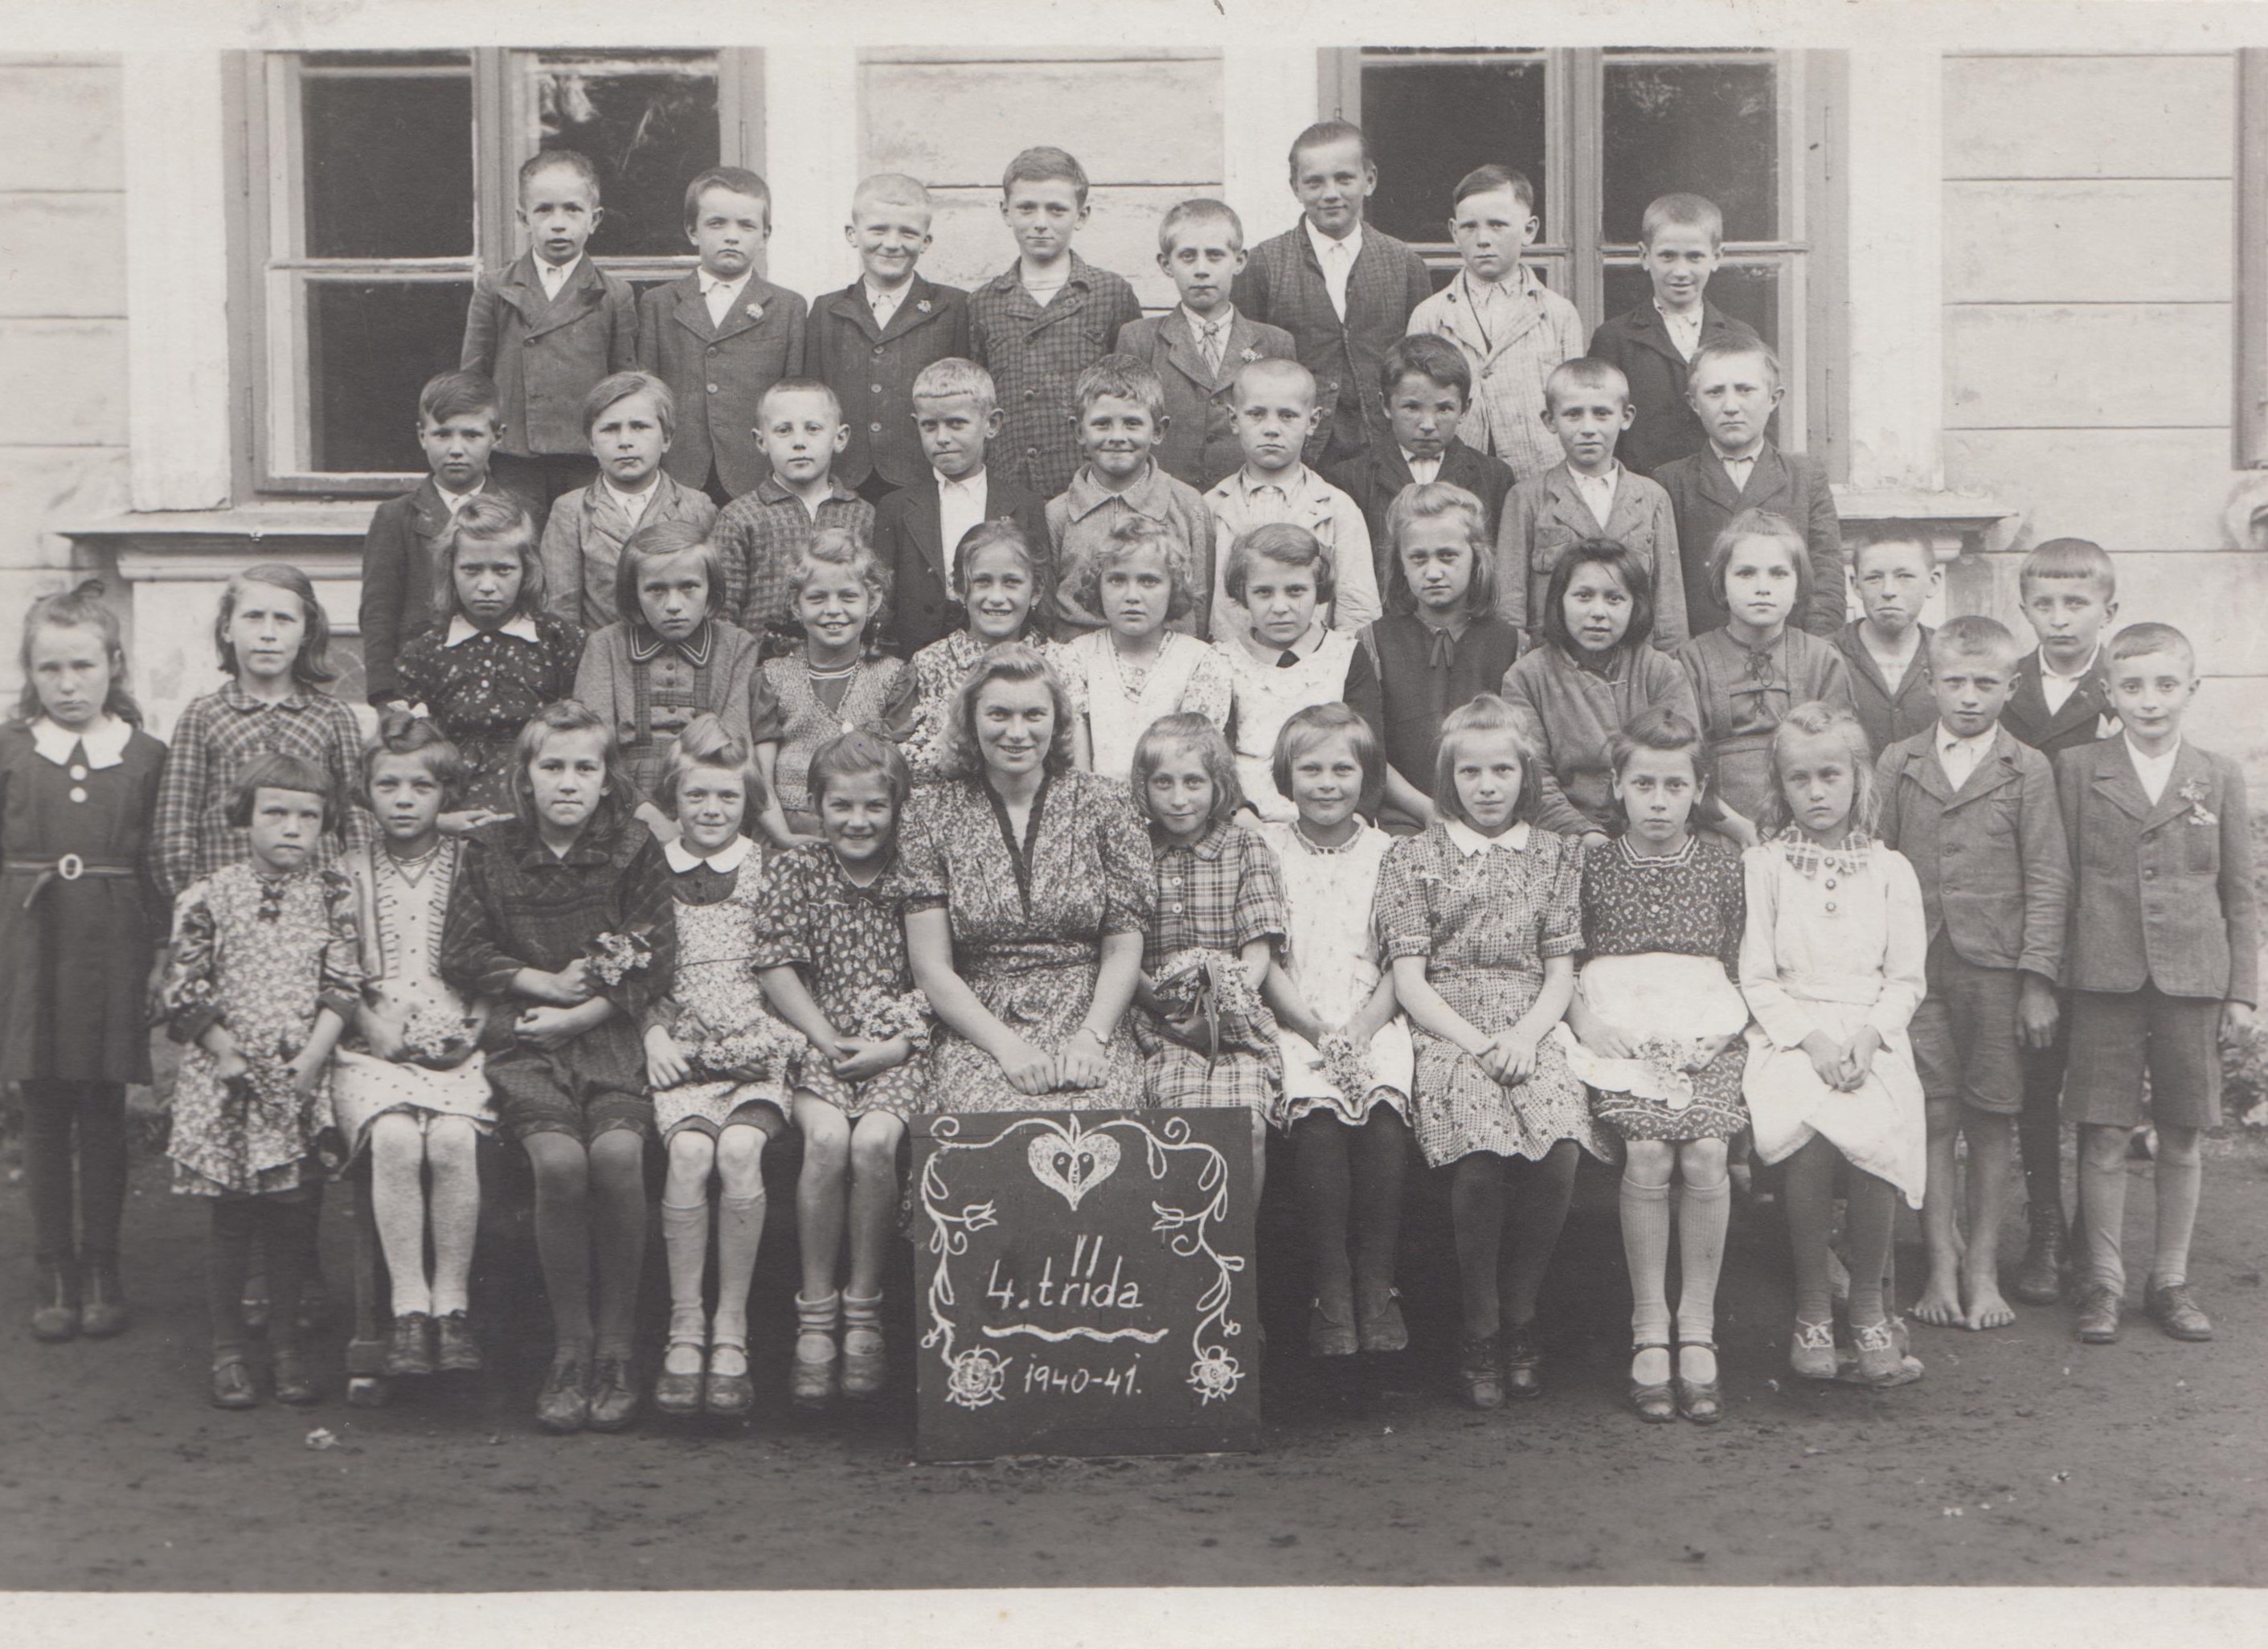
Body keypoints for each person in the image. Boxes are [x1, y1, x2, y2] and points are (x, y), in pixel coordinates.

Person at [439, 701, 677, 1434]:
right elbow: (463, 952)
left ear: (607, 779)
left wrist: (583, 1012)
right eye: (552, 767)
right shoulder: (491, 849)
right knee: (559, 1162)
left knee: (616, 1156)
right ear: (526, 776)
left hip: (608, 1035)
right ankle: (570, 1347)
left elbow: (653, 955)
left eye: (584, 768)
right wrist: (541, 985)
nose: (568, 783)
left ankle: (617, 1348)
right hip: (528, 1038)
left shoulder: (634, 847)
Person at [154, 563, 370, 1340]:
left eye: (285, 619)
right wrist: (207, 917)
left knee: (298, 1133)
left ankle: (298, 1275)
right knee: (236, 1134)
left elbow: (352, 825)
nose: (269, 634)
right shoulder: (206, 716)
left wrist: (338, 907)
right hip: (230, 952)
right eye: (254, 618)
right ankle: (245, 1286)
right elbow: (174, 834)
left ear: (308, 631)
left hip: (304, 953)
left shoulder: (332, 717)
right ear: (227, 629)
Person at [1374, 696, 1602, 1408]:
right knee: (1480, 1153)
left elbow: (1559, 972)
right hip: (1450, 1026)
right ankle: (1479, 1322)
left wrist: (1525, 1037)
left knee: (1558, 1145)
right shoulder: (1413, 856)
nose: (1487, 786)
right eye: (1470, 772)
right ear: (1448, 777)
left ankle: (1521, 1308)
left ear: (1525, 774)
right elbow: (1410, 980)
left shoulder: (1556, 855)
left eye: (1502, 770)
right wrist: (1477, 1044)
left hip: (1531, 1021)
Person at [2057, 623, 2257, 1347]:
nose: (2150, 701)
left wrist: (2242, 991)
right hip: (2103, 975)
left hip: (2192, 980)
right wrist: (2050, 977)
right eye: (2133, 686)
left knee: (2182, 1131)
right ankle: (2103, 1281)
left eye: (2166, 685)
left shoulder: (2218, 774)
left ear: (2191, 690)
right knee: (2104, 1130)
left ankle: (2170, 1279)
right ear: (2108, 693)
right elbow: (2060, 877)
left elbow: (2239, 892)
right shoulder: (2079, 769)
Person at [1873, 616, 2069, 1333]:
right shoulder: (1900, 761)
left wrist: (2037, 981)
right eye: (1954, 681)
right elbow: (1874, 866)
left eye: (1985, 683)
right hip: (1917, 971)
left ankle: (1982, 1267)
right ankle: (1940, 1263)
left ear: (2012, 687)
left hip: (1997, 974)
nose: (1968, 696)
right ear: (1929, 682)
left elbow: (2048, 877)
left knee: (1991, 1118)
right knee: (1932, 1114)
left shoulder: (2028, 769)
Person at [1559, 709, 1749, 1424]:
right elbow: (1562, 961)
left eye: (1676, 786)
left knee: (1705, 1151)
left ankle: (1696, 1324)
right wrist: (1590, 1026)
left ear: (1699, 789)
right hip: (1619, 1030)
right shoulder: (1592, 865)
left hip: (1707, 1030)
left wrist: (1719, 1034)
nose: (1660, 802)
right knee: (1646, 1150)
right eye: (1644, 785)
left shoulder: (1724, 865)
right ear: (1617, 785)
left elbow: (1743, 964)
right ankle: (1648, 1326)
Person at [161, 753, 362, 1409]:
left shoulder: (333, 894)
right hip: (229, 1079)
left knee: (294, 1213)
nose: (292, 828)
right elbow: (182, 987)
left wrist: (313, 1059)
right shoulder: (208, 894)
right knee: (233, 1218)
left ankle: (285, 1348)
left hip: (298, 1078)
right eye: (275, 812)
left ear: (325, 823)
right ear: (244, 817)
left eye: (308, 816)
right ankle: (228, 1351)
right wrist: (224, 1050)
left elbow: (344, 984)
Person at [1738, 702, 1928, 1387]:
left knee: (1874, 1131)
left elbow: (1906, 980)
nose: (1816, 792)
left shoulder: (1891, 870)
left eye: (1830, 776)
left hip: (1872, 1033)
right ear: (1780, 787)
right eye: (1800, 779)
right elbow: (1757, 979)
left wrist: (1868, 1039)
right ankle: (1814, 1308)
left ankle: (1869, 1304)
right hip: (1791, 1034)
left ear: (1858, 779)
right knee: (1813, 1135)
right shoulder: (1764, 867)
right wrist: (1813, 1042)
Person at [3, 582, 166, 1343]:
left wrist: (163, 953)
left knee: (103, 1103)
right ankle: (54, 1269)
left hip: (112, 941)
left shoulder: (144, 756)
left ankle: (102, 1266)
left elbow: (159, 866)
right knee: (41, 1105)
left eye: (83, 667)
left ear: (114, 666)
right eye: (50, 669)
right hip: (30, 941)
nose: (68, 685)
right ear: (29, 673)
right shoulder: (11, 751)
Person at [754, 732, 930, 1406]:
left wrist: (899, 1045)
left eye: (874, 807)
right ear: (814, 807)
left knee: (876, 1142)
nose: (858, 821)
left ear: (897, 807)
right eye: (841, 806)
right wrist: (824, 1037)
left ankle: (864, 1309)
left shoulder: (915, 870)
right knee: (827, 1141)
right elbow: (776, 964)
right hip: (817, 1040)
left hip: (897, 1045)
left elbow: (942, 972)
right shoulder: (799, 868)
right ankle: (815, 1313)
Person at [901, 647, 1152, 1111]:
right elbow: (931, 965)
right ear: (971, 720)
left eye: (1034, 714)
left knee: (1099, 1118)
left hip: (1091, 1017)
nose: (1017, 732)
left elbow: (1122, 945)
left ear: (1057, 721)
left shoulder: (1106, 805)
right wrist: (1007, 1048)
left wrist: (1092, 1037)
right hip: (980, 1026)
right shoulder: (929, 813)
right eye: (999, 714)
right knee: (995, 1122)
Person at [640, 716, 798, 1420]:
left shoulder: (769, 868)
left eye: (728, 797)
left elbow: (788, 965)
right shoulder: (651, 871)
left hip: (756, 1044)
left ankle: (731, 1326)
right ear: (673, 798)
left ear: (748, 803)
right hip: (683, 1048)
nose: (711, 810)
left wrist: (772, 1032)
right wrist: (654, 1033)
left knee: (737, 1151)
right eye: (697, 796)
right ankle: (685, 1326)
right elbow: (635, 967)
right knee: (688, 1156)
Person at [330, 716, 494, 1381]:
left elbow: (496, 958)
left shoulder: (473, 865)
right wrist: (372, 1025)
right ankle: (407, 1310)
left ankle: (452, 1308)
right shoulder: (347, 871)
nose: (404, 800)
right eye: (388, 785)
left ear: (446, 794)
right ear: (366, 792)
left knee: (452, 1140)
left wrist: (475, 1026)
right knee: (396, 1139)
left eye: (421, 787)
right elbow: (333, 966)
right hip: (371, 1041)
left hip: (459, 1036)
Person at [1256, 704, 1413, 1359]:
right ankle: (1330, 1288)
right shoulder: (1264, 848)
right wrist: (1317, 1031)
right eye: (1310, 769)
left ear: (1368, 777)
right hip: (1295, 1013)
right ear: (1285, 778)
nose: (1326, 784)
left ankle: (1377, 1284)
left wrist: (1361, 1029)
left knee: (1383, 1122)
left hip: (1374, 1012)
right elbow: (1263, 959)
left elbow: (1405, 960)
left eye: (1343, 770)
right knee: (1318, 1124)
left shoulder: (1391, 852)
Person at [1997, 536, 2119, 1305]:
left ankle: (2094, 1239)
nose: (2061, 618)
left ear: (2110, 609)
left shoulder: (2125, 688)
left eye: (2077, 603)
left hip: (2104, 916)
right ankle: (2045, 1225)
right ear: (2025, 609)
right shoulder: (2006, 688)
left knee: (2097, 1084)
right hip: (2028, 909)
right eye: (2045, 604)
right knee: (2035, 1080)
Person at [1129, 715, 1286, 1193]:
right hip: (1160, 1025)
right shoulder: (1134, 848)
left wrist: (1217, 1014)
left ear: (1218, 784)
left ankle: (1241, 1238)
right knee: (1179, 1121)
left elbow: (1257, 955)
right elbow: (1122, 949)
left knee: (1246, 1124)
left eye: (1194, 782)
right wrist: (1167, 1006)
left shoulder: (1245, 847)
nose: (1179, 798)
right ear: (1144, 786)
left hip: (1235, 1026)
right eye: (1163, 783)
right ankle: (1185, 1234)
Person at [1233, 120, 1431, 468]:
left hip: (1384, 451)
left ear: (1369, 180)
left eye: (1344, 178)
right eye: (1314, 182)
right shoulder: (1264, 265)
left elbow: (1422, 366)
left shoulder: (1404, 264)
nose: (1330, 193)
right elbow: (1246, 367)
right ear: (1295, 187)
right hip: (1297, 453)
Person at [1501, 538, 1713, 845]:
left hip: (1653, 834)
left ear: (1635, 605)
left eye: (1614, 598)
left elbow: (1683, 765)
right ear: (1560, 600)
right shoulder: (1526, 677)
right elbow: (1534, 780)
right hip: (1562, 837)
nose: (1598, 612)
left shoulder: (1661, 671)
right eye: (1584, 596)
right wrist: (1585, 834)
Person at [460, 149, 637, 509]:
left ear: (595, 219)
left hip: (587, 457)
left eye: (572, 209)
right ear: (523, 218)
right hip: (514, 457)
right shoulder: (495, 288)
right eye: (543, 210)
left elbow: (624, 384)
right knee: (517, 538)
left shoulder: (615, 294)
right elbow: (473, 381)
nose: (558, 224)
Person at [571, 519, 770, 840]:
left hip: (712, 802)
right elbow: (594, 749)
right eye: (656, 590)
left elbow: (735, 745)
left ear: (711, 589)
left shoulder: (736, 646)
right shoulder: (605, 646)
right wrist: (647, 815)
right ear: (634, 593)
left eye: (689, 587)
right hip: (624, 803)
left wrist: (695, 817)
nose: (674, 605)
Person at [1343, 482, 1522, 833]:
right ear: (1401, 564)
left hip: (1492, 815)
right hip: (1401, 817)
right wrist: (1425, 809)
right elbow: (1368, 748)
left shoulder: (1512, 643)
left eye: (1448, 556)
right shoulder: (1372, 642)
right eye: (1419, 558)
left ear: (1476, 557)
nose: (1434, 572)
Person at [360, 370, 543, 710]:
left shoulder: (521, 514)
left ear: (497, 437)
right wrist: (386, 696)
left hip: (503, 682)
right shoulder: (396, 518)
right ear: (422, 436)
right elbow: (378, 614)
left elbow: (534, 601)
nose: (456, 449)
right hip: (419, 685)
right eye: (443, 434)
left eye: (472, 435)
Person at [968, 146, 1144, 500]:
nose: (1040, 222)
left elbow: (1136, 395)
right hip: (1012, 484)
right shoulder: (983, 302)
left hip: (1094, 483)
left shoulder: (1110, 293)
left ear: (1081, 215)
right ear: (1005, 212)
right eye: (1026, 208)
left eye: (1056, 209)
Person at [398, 493, 583, 822]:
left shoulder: (558, 641)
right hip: (453, 812)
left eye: (503, 570)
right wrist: (438, 820)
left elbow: (579, 740)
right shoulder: (426, 650)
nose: (487, 585)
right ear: (450, 570)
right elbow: (410, 755)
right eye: (471, 570)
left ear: (526, 570)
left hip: (538, 812)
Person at [1406, 164, 1586, 486]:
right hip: (1457, 480)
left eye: (1498, 225)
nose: (1483, 240)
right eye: (1469, 227)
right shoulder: (1430, 315)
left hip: (1540, 476)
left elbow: (1574, 407)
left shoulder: (1559, 314)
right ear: (1453, 232)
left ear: (1529, 230)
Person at [637, 166, 807, 506]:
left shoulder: (787, 307)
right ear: (692, 231)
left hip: (758, 474)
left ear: (765, 235)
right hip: (679, 472)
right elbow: (647, 395)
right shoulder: (659, 304)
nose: (732, 236)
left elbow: (793, 399)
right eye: (717, 224)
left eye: (746, 225)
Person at [1673, 510, 1852, 830]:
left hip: (1805, 829)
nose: (1762, 588)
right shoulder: (1692, 660)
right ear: (1722, 584)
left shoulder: (1821, 659)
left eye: (1778, 574)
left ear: (1798, 586)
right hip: (1714, 826)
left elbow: (1839, 760)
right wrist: (1734, 826)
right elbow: (1682, 762)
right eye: (1745, 574)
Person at [1655, 339, 1844, 637]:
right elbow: (1665, 590)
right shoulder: (1670, 481)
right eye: (1715, 392)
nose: (1731, 407)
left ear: (1774, 398)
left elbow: (1826, 578)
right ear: (1693, 403)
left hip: (1791, 650)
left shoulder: (1806, 476)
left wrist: (1814, 653)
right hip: (1702, 654)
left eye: (1745, 390)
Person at [807, 173, 972, 506]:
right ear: (852, 234)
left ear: (926, 241)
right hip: (844, 480)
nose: (893, 243)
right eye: (878, 230)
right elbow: (812, 396)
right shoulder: (827, 310)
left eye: (908, 233)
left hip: (926, 478)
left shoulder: (953, 307)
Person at [1496, 357, 1685, 651]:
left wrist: (1668, 666)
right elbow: (1510, 606)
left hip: (1633, 664)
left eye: (1601, 413)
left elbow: (1669, 608)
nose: (1588, 428)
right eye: (1573, 414)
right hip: (1553, 662)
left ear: (1626, 417)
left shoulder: (1652, 498)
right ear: (1550, 420)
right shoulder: (1527, 498)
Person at [1114, 198, 1297, 492]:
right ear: (1166, 264)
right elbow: (1125, 429)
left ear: (1240, 261)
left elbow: (1289, 430)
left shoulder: (1275, 343)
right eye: (1187, 257)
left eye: (1215, 256)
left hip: (1249, 500)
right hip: (1165, 502)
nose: (1201, 269)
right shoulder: (1140, 340)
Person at [872, 358, 1048, 657]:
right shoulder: (895, 507)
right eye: (930, 426)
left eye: (956, 424)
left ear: (992, 424)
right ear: (916, 426)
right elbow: (884, 602)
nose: (942, 438)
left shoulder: (1025, 504)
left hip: (1005, 657)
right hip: (920, 658)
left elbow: (1042, 599)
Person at [1202, 358, 1382, 645]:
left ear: (1313, 421)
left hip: (1315, 666)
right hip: (1227, 663)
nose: (1272, 428)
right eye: (1257, 414)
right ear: (1234, 419)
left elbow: (1358, 612)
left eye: (1287, 416)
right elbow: (1196, 604)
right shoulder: (1209, 507)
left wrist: (1336, 664)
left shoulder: (1337, 509)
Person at [752, 528, 917, 840]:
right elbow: (762, 779)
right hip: (788, 834)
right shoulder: (772, 677)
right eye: (817, 598)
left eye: (848, 596)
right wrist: (783, 838)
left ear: (872, 600)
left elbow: (899, 776)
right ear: (796, 605)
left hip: (867, 834)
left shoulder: (894, 676)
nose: (832, 610)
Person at [1586, 192, 1763, 479]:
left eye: (1695, 257)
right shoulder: (1615, 338)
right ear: (1645, 256)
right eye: (1667, 256)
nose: (1681, 271)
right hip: (1644, 488)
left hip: (1720, 487)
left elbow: (1759, 422)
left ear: (1716, 257)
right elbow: (1600, 424)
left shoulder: (1741, 337)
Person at [1043, 354, 1218, 636]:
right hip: (1078, 654)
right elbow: (1047, 608)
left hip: (1166, 653)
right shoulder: (1058, 513)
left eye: (1132, 423)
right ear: (1079, 431)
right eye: (1102, 424)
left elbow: (1200, 602)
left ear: (1158, 430)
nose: (1117, 436)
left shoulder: (1187, 505)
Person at [902, 521, 1086, 780]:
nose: (997, 597)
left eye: (1011, 582)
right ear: (959, 588)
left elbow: (1075, 765)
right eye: (983, 582)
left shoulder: (1061, 661)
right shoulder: (930, 663)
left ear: (1036, 591)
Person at [1053, 515, 1230, 783]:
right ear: (1098, 585)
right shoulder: (1074, 657)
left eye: (1148, 581)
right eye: (1117, 580)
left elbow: (1194, 760)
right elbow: (1077, 766)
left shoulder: (1201, 662)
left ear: (1174, 587)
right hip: (1094, 800)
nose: (1132, 596)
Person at [538, 371, 717, 632]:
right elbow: (561, 612)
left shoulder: (697, 507)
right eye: (610, 429)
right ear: (592, 444)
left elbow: (712, 602)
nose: (625, 442)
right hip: (600, 653)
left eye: (639, 427)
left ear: (666, 438)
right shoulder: (571, 511)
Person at [707, 380, 875, 637]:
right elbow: (722, 613)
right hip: (760, 657)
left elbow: (876, 599)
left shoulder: (863, 515)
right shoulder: (739, 517)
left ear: (840, 438)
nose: (799, 442)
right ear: (761, 441)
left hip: (845, 656)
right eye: (784, 430)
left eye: (813, 429)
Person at [1214, 523, 1358, 823]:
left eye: (1295, 591)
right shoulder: (1223, 660)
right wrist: (1237, 810)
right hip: (1247, 819)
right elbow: (1216, 754)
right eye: (1263, 592)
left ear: (1318, 590)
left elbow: (1369, 749)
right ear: (1243, 594)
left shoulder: (1345, 655)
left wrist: (1359, 815)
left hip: (1332, 816)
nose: (1280, 607)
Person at [1329, 335, 1516, 560]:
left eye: (1444, 409)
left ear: (1465, 409)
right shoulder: (1351, 479)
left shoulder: (1494, 476)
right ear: (1385, 405)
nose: (1428, 425)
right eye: (1412, 407)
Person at [1838, 534, 1940, 757]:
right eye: (1874, 578)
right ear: (1855, 585)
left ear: (1933, 583)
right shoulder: (1825, 656)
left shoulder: (1951, 654)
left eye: (1904, 576)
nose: (1888, 591)